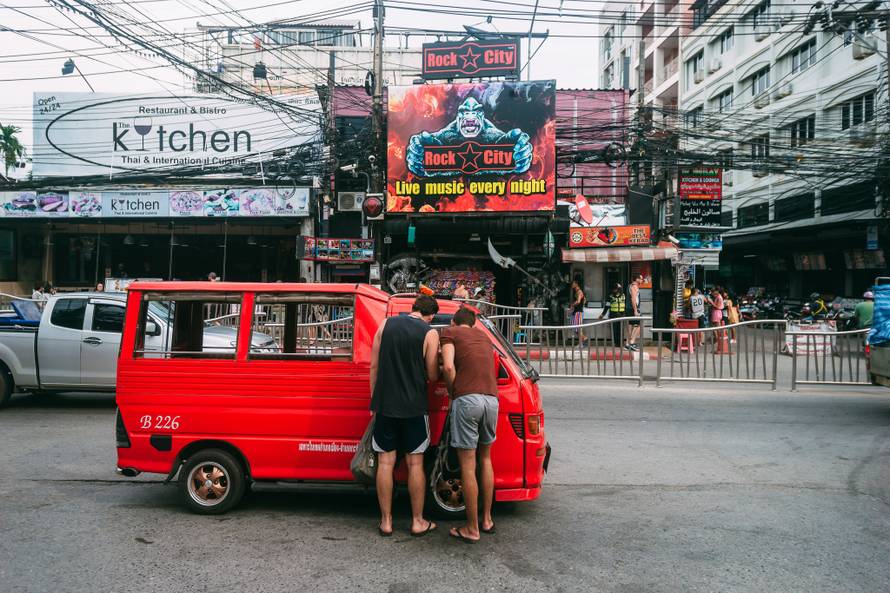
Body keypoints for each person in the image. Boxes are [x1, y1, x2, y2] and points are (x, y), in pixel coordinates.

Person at [369, 295, 441, 537]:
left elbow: (374, 367)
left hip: (385, 405)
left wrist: (374, 400)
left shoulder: (385, 324)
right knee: (415, 464)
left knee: (385, 463)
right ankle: (417, 521)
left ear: (413, 308)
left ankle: (386, 521)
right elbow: (432, 374)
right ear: (431, 315)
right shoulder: (430, 333)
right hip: (414, 407)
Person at [440, 307, 499, 543]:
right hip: (491, 399)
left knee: (467, 465)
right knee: (485, 459)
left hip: (467, 399)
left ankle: (472, 529)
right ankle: (487, 520)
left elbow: (448, 366)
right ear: (473, 324)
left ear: (454, 322)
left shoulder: (450, 332)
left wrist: (453, 391)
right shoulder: (484, 336)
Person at [625, 274, 643, 351]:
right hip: (633, 309)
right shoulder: (634, 287)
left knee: (630, 326)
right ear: (637, 279)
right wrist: (635, 310)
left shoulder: (629, 286)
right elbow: (633, 299)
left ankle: (627, 344)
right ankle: (632, 342)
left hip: (629, 308)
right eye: (641, 279)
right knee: (639, 325)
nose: (642, 280)